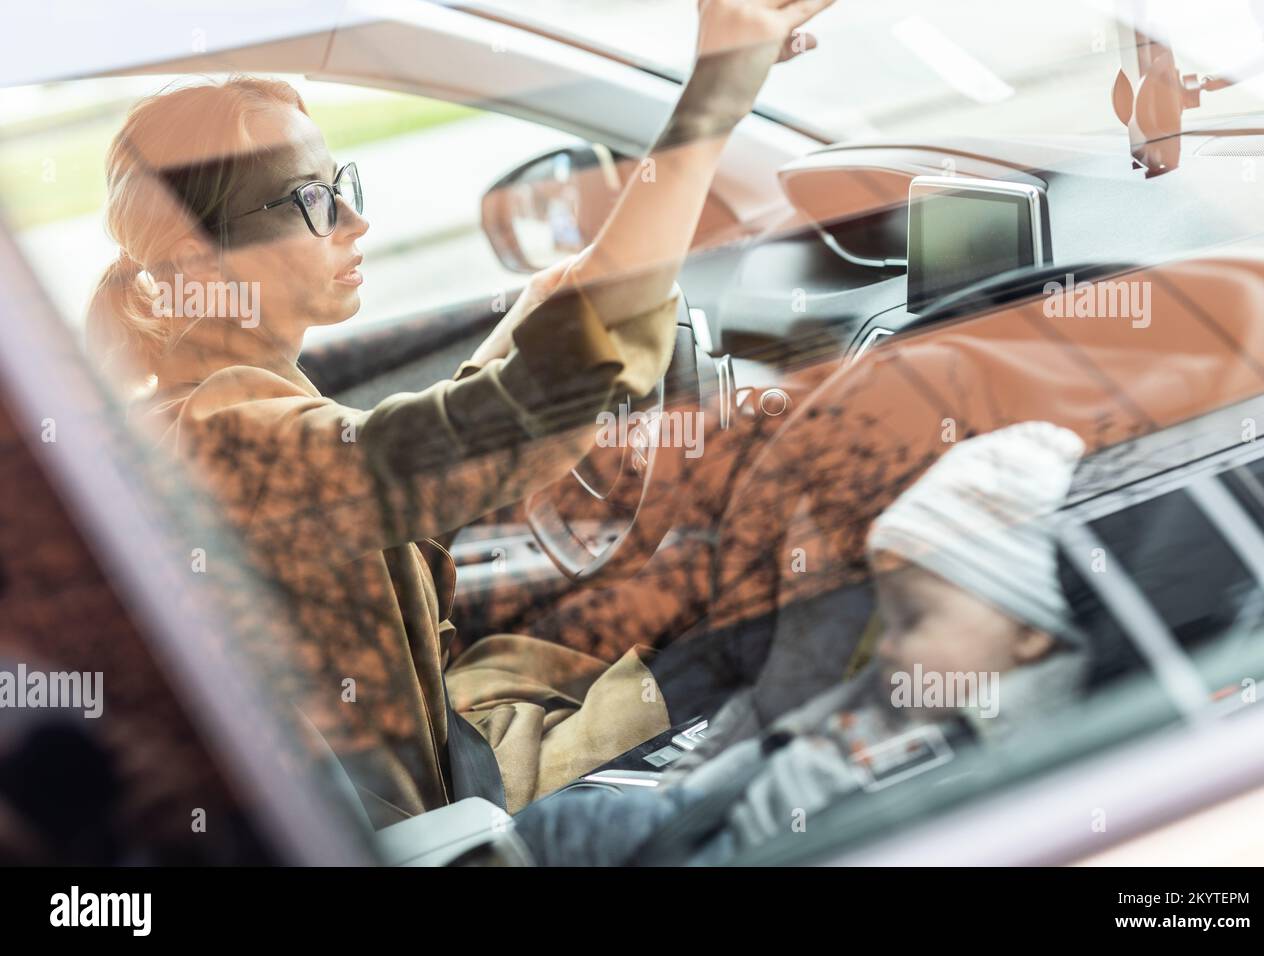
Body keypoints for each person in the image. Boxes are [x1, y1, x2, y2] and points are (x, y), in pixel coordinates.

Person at [84, 0, 839, 823]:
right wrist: (715, 96)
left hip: (466, 735)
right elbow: (506, 430)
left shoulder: (222, 402)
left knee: (683, 596)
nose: (355, 221)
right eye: (309, 200)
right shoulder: (224, 433)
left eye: (342, 186)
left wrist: (538, 316)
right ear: (200, 256)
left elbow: (397, 480)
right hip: (455, 811)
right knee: (793, 616)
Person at [507, 421, 1103, 865]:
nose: (888, 648)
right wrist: (678, 796)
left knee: (556, 830)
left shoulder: (1008, 754)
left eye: (914, 621)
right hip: (705, 813)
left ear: (1029, 632)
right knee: (554, 827)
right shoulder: (902, 690)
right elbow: (762, 739)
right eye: (887, 624)